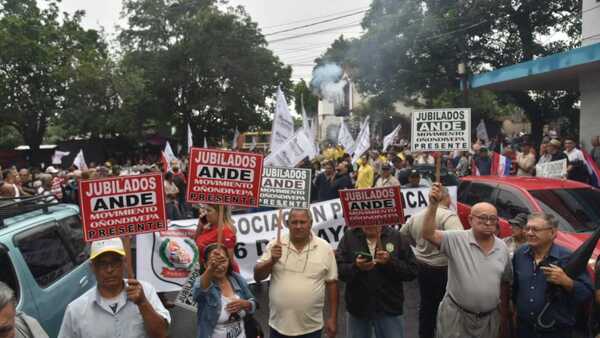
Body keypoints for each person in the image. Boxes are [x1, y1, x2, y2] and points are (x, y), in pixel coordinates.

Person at [421, 183, 512, 338]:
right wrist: (433, 205)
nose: (488, 222)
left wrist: (503, 317)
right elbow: (428, 233)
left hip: (489, 320)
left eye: (492, 218)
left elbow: (505, 283)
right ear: (470, 219)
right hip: (457, 318)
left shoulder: (502, 247)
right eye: (482, 218)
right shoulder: (456, 238)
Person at [58, 238, 170, 338]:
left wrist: (143, 303)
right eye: (103, 264)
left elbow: (161, 334)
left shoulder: (146, 291)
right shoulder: (75, 310)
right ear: (92, 267)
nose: (109, 270)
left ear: (124, 263)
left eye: (115, 262)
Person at [254, 208, 338, 338]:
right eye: (294, 222)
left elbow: (332, 283)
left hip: (311, 328)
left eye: (302, 222)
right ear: (287, 224)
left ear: (310, 223)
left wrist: (333, 318)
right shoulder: (275, 245)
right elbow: (258, 276)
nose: (298, 226)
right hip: (278, 326)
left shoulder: (324, 248)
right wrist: (271, 261)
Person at [512, 213, 593, 338]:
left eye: (535, 229)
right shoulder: (520, 254)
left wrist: (567, 282)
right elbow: (515, 288)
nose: (529, 233)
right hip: (524, 329)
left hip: (556, 331)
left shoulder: (568, 258)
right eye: (527, 228)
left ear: (552, 232)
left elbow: (586, 294)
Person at [400, 186, 464, 338]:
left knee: (427, 306)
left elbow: (402, 235)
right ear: (446, 198)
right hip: (443, 269)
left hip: (422, 267)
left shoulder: (417, 215)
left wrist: (417, 247)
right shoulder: (449, 217)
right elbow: (460, 241)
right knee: (447, 309)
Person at [336, 224, 417, 338]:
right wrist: (356, 267)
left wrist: (390, 262)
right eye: (364, 221)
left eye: (373, 221)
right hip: (358, 310)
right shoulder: (349, 237)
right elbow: (339, 270)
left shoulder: (396, 237)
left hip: (389, 309)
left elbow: (412, 271)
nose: (369, 224)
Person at [193, 243, 258, 338]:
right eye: (213, 262)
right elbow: (198, 292)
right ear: (205, 264)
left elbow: (254, 303)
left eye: (223, 261)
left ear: (229, 261)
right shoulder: (202, 282)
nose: (219, 266)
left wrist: (247, 304)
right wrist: (211, 269)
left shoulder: (237, 279)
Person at [195, 204, 240, 272]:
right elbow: (196, 242)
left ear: (219, 213)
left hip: (217, 274)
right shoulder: (208, 227)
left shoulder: (226, 231)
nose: (205, 213)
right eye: (205, 210)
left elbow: (229, 261)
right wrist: (200, 223)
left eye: (209, 210)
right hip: (205, 271)